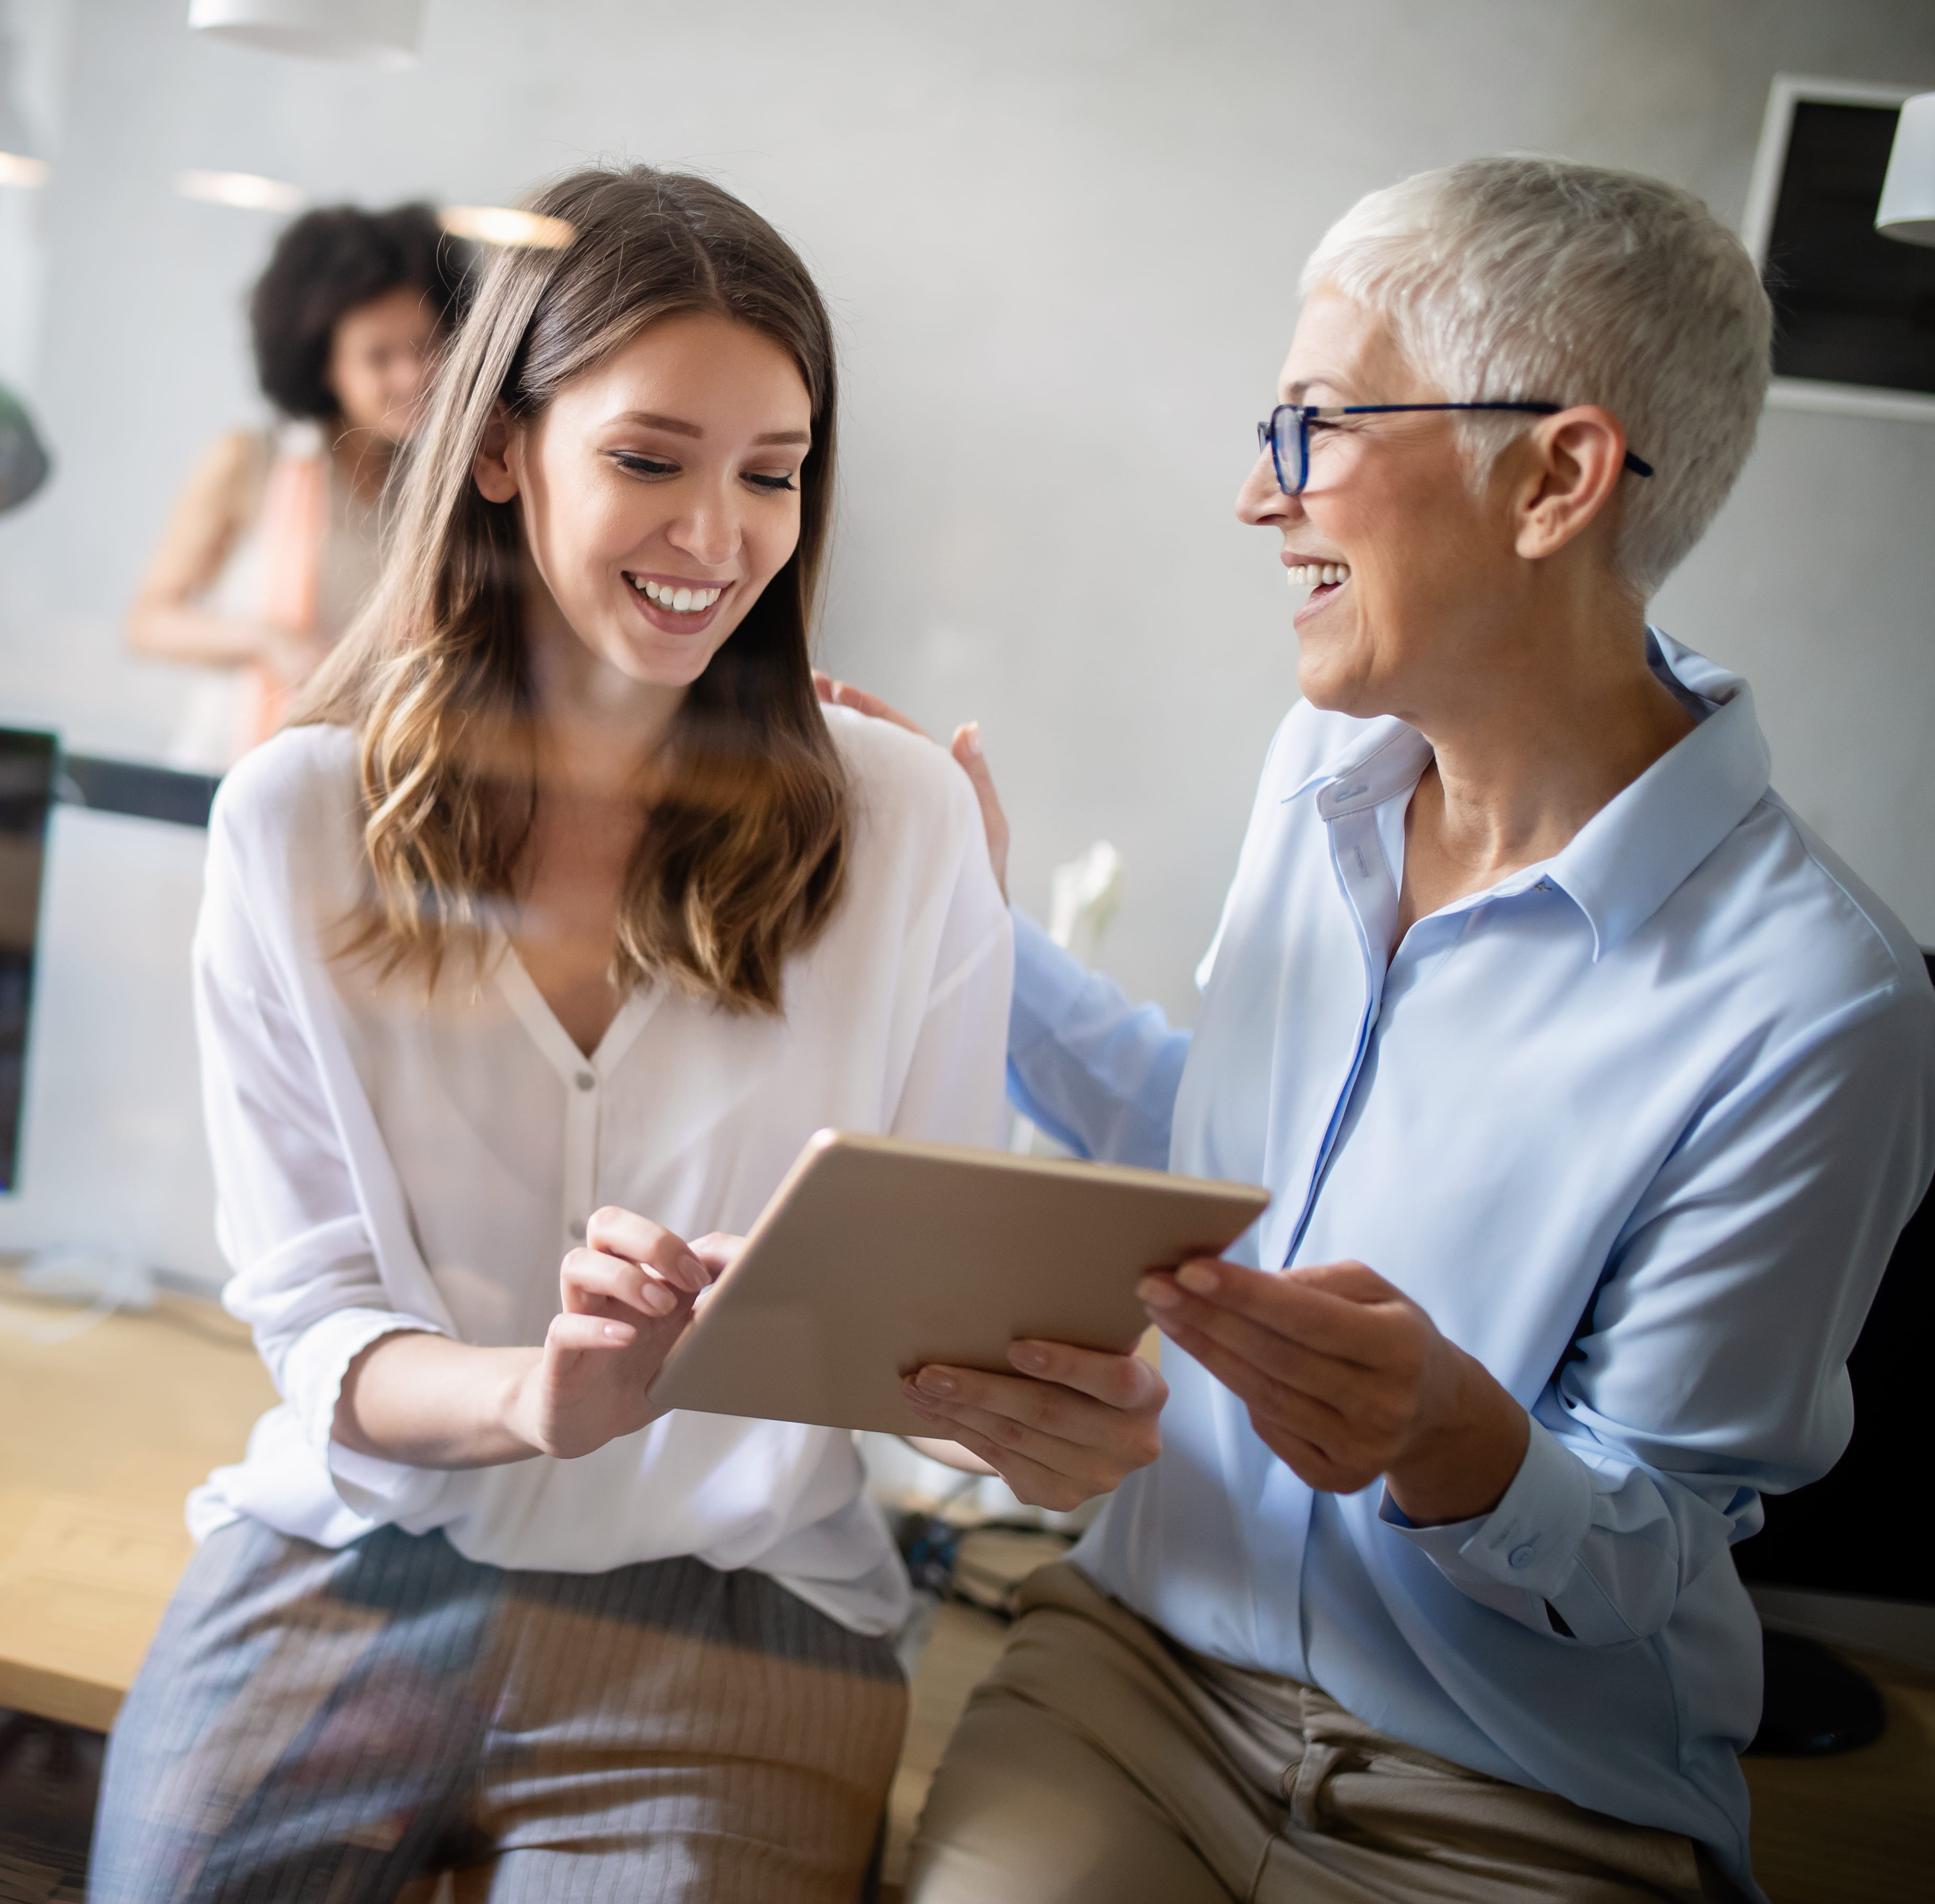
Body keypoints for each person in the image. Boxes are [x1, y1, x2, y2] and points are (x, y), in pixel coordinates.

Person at [826, 156, 1935, 1902]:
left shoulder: (1819, 1004)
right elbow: (1215, 1166)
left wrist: (1449, 1439)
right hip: (1140, 1678)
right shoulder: (1320, 777)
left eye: (1308, 428)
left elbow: (1647, 1542)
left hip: (1519, 1787)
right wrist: (955, 918)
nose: (1252, 498)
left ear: (1554, 475)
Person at [91, 166, 1022, 1901]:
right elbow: (315, 1325)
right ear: (503, 445)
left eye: (770, 472)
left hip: (738, 1600)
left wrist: (1027, 1408)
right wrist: (533, 1393)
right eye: (648, 458)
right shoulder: (293, 821)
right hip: (358, 1551)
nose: (715, 534)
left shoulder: (903, 825)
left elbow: (930, 1329)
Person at [128, 202, 466, 765]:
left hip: (362, 780)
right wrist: (267, 642)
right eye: (378, 358)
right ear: (325, 365)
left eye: (425, 348)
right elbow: (149, 622)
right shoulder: (249, 461)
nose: (412, 377)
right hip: (232, 769)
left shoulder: (438, 491)